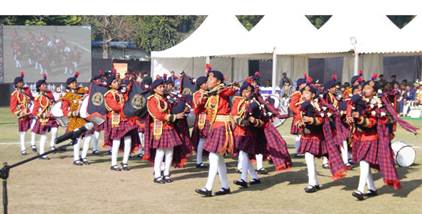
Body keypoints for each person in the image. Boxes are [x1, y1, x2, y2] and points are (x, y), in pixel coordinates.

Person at [349, 77, 418, 200]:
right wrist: (351, 117)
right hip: (360, 137)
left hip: (372, 137)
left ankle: (360, 190)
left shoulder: (378, 104)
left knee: (364, 162)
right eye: (364, 88)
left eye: (368, 88)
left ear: (374, 91)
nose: (365, 90)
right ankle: (372, 188)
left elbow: (372, 122)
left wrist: (360, 119)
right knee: (364, 163)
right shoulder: (359, 102)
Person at [195, 70, 238, 197]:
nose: (208, 81)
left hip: (221, 126)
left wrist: (228, 86)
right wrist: (204, 97)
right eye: (208, 79)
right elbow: (198, 109)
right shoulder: (209, 94)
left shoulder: (222, 90)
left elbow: (230, 91)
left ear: (218, 82)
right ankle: (225, 186)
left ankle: (208, 187)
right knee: (218, 159)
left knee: (213, 157)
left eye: (211, 79)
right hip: (214, 127)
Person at [298, 85, 347, 193]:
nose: (304, 95)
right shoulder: (304, 105)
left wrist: (312, 119)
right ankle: (314, 183)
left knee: (310, 159)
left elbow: (324, 117)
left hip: (317, 137)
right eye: (303, 93)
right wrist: (301, 123)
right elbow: (300, 119)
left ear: (313, 95)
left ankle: (312, 184)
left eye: (307, 93)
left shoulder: (319, 105)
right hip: (307, 136)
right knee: (309, 159)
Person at [144, 78, 185, 183]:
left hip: (169, 127)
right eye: (160, 87)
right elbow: (157, 114)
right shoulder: (151, 99)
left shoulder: (166, 99)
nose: (162, 89)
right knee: (160, 152)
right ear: (154, 89)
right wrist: (175, 116)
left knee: (170, 152)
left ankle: (166, 173)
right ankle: (157, 175)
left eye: (163, 86)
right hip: (159, 128)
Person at [104, 74, 139, 171]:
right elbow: (115, 107)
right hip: (116, 120)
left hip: (125, 119)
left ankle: (125, 162)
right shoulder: (109, 94)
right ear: (110, 85)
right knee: (116, 142)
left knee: (128, 141)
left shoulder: (121, 93)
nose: (117, 83)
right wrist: (126, 104)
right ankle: (113, 163)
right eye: (114, 82)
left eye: (117, 81)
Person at [231, 81, 263, 188]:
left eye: (248, 91)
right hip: (239, 131)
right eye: (244, 91)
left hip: (250, 132)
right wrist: (239, 120)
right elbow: (234, 114)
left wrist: (253, 120)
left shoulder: (256, 104)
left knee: (244, 153)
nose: (246, 93)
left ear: (252, 92)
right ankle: (255, 177)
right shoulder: (237, 101)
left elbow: (261, 121)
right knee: (244, 155)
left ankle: (243, 179)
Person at [61, 72, 93, 165]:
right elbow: (64, 110)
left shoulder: (83, 90)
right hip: (76, 120)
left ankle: (83, 157)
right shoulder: (66, 96)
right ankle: (76, 158)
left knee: (88, 138)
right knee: (77, 139)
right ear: (68, 85)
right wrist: (72, 113)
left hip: (86, 118)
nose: (74, 84)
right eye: (72, 83)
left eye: (75, 82)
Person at [9, 72, 33, 155]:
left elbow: (32, 99)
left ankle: (33, 144)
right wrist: (20, 113)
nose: (21, 83)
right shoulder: (14, 94)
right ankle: (23, 148)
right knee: (23, 132)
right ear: (16, 84)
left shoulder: (27, 90)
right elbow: (12, 108)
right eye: (19, 82)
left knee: (35, 127)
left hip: (31, 113)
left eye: (22, 82)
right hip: (23, 115)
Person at [191, 76, 209, 168]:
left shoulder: (210, 92)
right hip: (203, 118)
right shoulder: (196, 94)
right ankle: (199, 160)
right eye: (205, 83)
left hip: (211, 117)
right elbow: (197, 106)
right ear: (201, 85)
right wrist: (204, 98)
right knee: (202, 140)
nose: (207, 84)